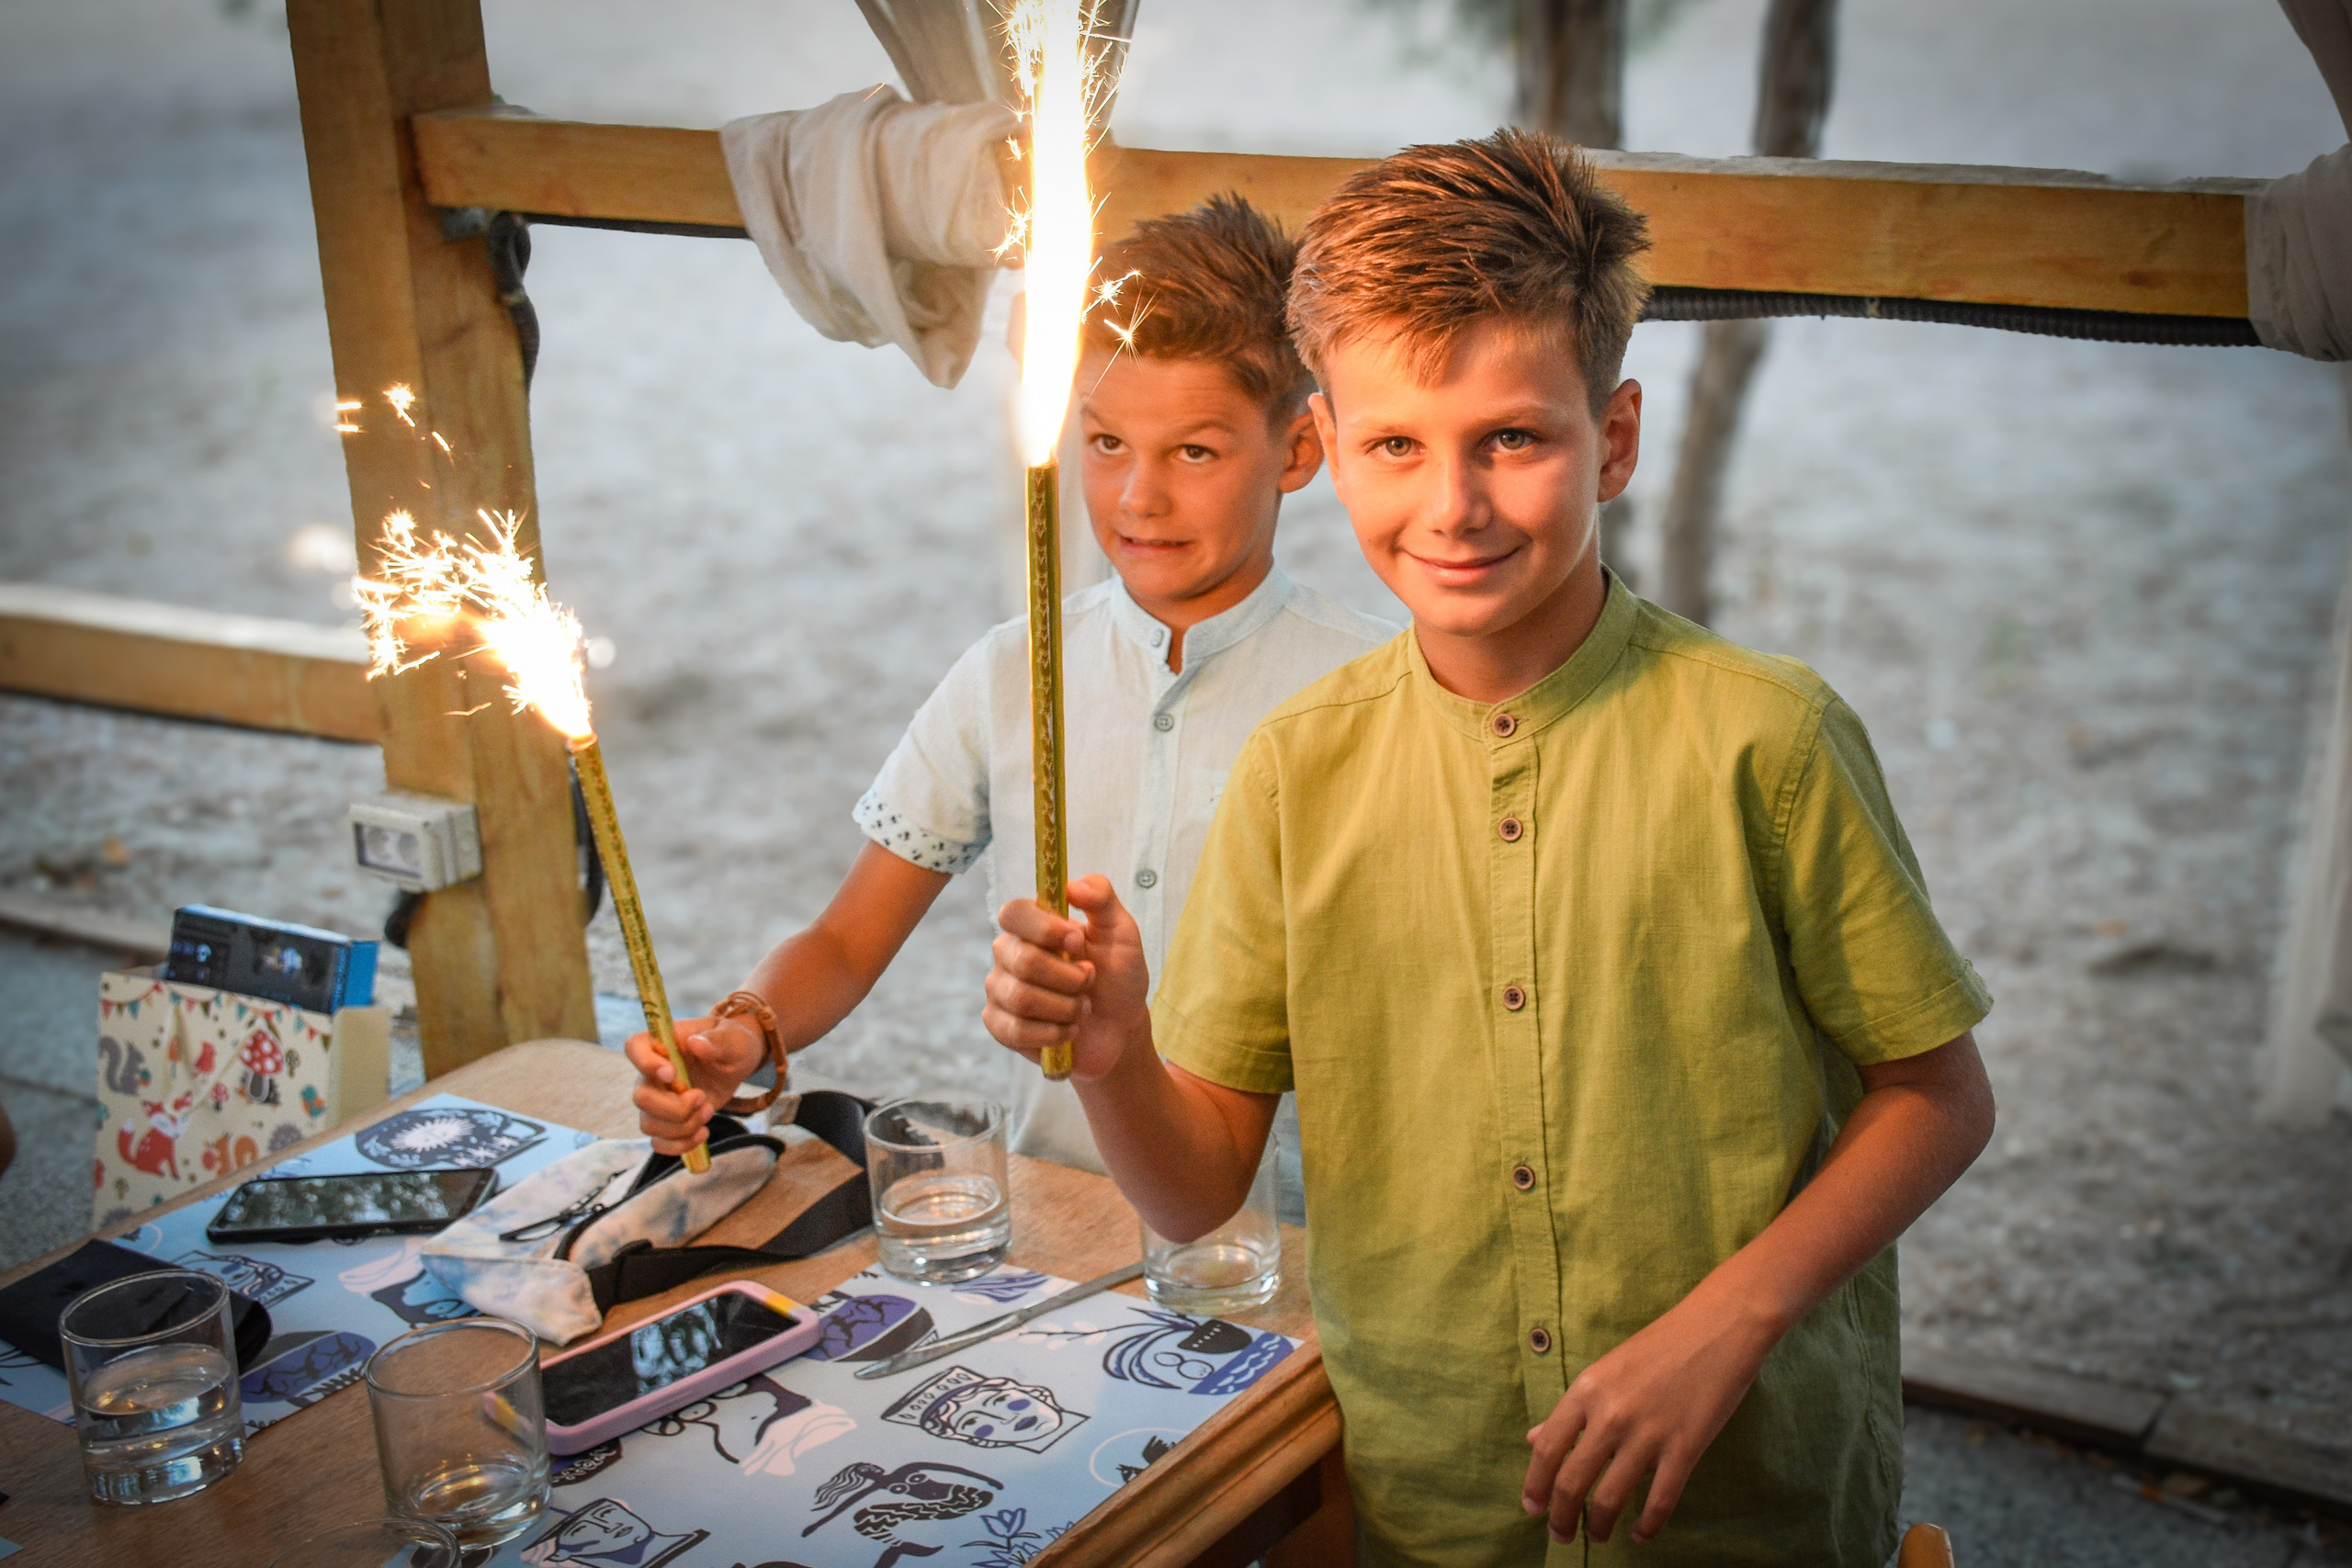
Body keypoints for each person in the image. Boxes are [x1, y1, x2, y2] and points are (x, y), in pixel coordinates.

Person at [980, 130, 1997, 1565]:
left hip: (1744, 1502)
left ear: (1617, 436)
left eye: (1512, 438)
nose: (1450, 506)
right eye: (1397, 444)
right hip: (1432, 1507)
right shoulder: (1299, 769)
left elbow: (1939, 1097)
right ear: (1326, 444)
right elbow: (1200, 1185)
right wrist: (1115, 1052)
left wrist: (1731, 1317)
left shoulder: (1767, 739)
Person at [628, 196, 1394, 1200]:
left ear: (1298, 451)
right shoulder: (1009, 672)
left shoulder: (1378, 692)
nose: (1136, 497)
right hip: (1051, 1206)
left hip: (1297, 1232)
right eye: (1105, 442)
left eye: (1194, 452)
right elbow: (847, 939)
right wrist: (740, 1035)